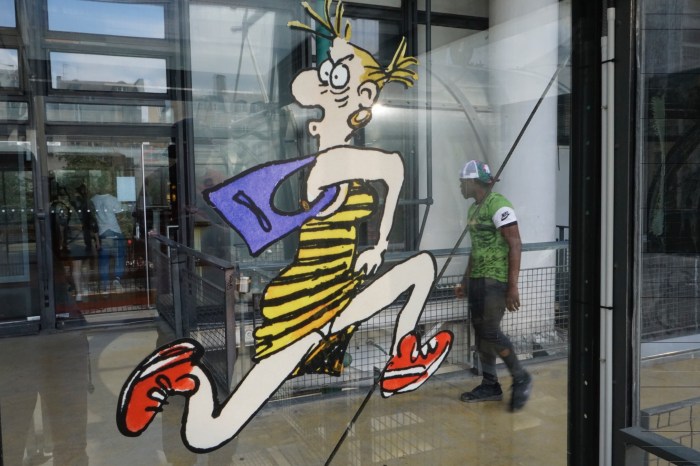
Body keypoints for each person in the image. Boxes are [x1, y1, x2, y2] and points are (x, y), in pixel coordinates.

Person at [116, 0, 453, 453]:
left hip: (335, 290)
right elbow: (392, 167)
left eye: (338, 73)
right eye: (330, 71)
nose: (325, 77)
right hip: (315, 298)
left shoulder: (333, 159)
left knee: (421, 269)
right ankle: (187, 376)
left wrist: (378, 245)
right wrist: (379, 241)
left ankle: (402, 358)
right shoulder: (331, 162)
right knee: (210, 432)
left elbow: (392, 171)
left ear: (363, 97)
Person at [455, 159, 532, 411]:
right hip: (478, 279)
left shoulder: (499, 205)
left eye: (462, 182)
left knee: (489, 330)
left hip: (495, 280)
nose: (460, 186)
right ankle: (490, 385)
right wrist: (465, 280)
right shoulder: (473, 209)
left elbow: (515, 243)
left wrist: (512, 286)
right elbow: (476, 249)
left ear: (472, 182)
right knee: (481, 334)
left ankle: (521, 376)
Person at [91, 179, 127, 293]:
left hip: (103, 232)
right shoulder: (112, 199)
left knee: (104, 259)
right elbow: (121, 217)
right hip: (115, 231)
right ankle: (117, 280)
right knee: (119, 256)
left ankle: (105, 285)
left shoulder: (93, 200)